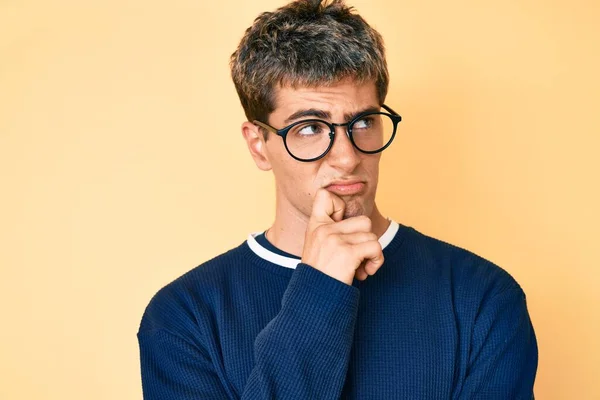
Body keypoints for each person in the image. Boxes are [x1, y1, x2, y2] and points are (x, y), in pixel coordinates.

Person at [136, 0, 538, 398]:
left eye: (363, 122)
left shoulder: (483, 298)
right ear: (258, 144)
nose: (347, 157)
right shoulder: (182, 318)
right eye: (310, 128)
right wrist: (319, 292)